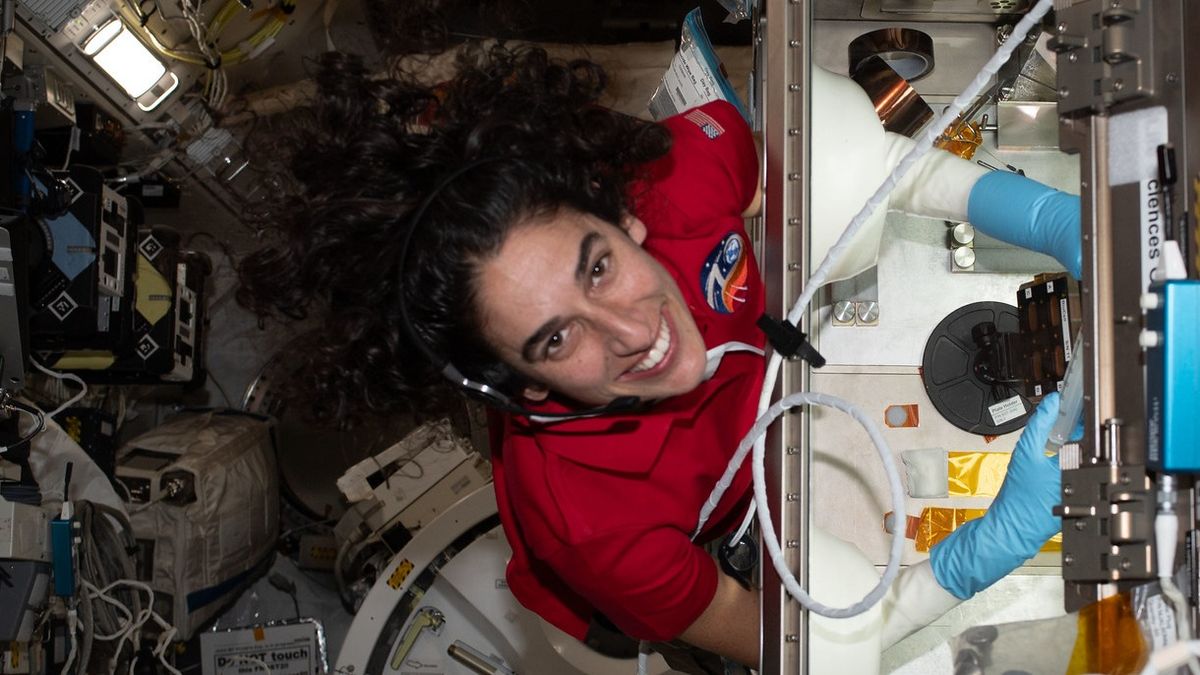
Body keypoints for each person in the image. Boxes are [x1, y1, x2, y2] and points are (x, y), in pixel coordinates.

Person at [238, 40, 1080, 672]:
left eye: (598, 265)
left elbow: (874, 170)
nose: (634, 331)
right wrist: (987, 548)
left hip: (753, 424)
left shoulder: (674, 182)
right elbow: (786, 638)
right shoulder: (593, 524)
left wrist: (1047, 219)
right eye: (557, 338)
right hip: (651, 589)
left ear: (623, 217)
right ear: (511, 383)